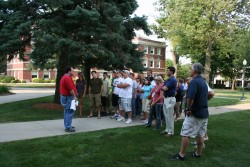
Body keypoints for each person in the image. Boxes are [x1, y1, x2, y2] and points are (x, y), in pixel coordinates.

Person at [170, 63, 209, 161]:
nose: (189, 70)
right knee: (201, 135)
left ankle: (181, 155)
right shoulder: (203, 82)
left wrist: (188, 109)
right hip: (204, 113)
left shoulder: (194, 82)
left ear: (195, 71)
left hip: (194, 113)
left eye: (190, 69)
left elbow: (190, 98)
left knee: (185, 133)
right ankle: (198, 153)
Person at [60, 66, 77, 132]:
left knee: (66, 112)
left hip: (65, 97)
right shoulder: (67, 78)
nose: (73, 72)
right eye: (72, 70)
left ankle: (67, 125)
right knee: (70, 112)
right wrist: (75, 96)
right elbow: (71, 90)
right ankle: (68, 127)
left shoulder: (65, 77)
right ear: (69, 71)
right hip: (68, 97)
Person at [161, 66, 177, 136]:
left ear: (171, 71)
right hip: (166, 98)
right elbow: (163, 87)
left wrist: (162, 87)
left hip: (170, 98)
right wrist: (162, 87)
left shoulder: (173, 80)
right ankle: (167, 129)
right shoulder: (168, 80)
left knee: (170, 116)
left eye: (168, 70)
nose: (167, 72)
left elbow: (164, 88)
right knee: (166, 115)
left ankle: (170, 132)